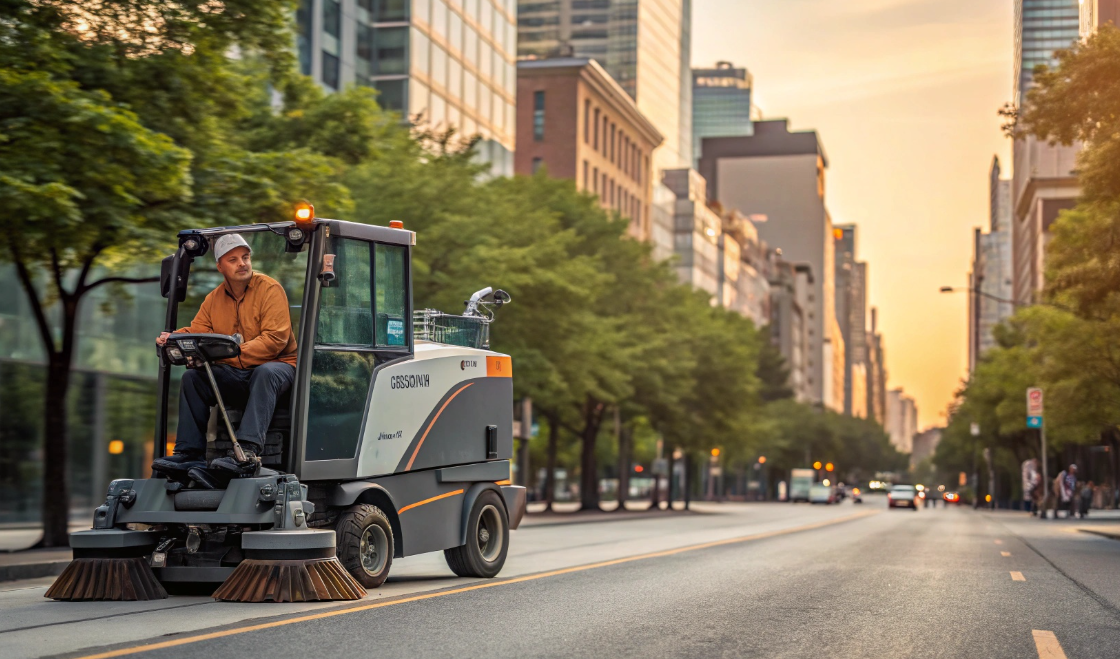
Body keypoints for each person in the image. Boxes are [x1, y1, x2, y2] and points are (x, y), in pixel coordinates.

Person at [151, 234, 297, 474]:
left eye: (245, 257)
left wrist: (226, 354)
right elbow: (198, 330)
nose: (242, 263)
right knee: (193, 378)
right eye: (233, 259)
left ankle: (248, 451)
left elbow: (274, 341)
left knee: (266, 372)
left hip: (279, 367)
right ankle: (190, 454)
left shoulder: (270, 289)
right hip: (238, 372)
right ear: (220, 266)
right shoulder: (214, 299)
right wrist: (173, 337)